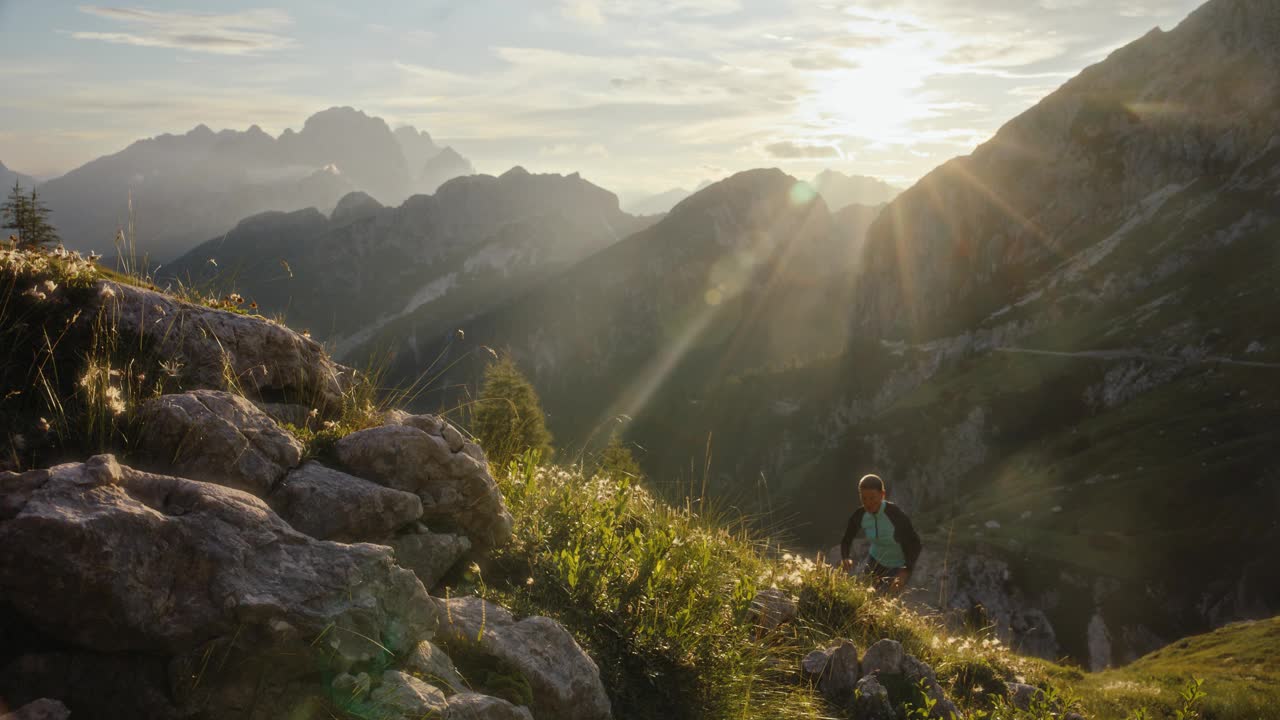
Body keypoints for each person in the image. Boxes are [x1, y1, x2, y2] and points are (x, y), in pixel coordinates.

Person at [840, 474, 921, 596]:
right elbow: (847, 538)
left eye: (872, 498)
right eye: (864, 498)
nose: (868, 503)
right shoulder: (860, 514)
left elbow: (915, 543)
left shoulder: (894, 514)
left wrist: (905, 570)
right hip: (874, 561)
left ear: (882, 495)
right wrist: (845, 557)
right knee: (864, 597)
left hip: (897, 566)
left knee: (888, 603)